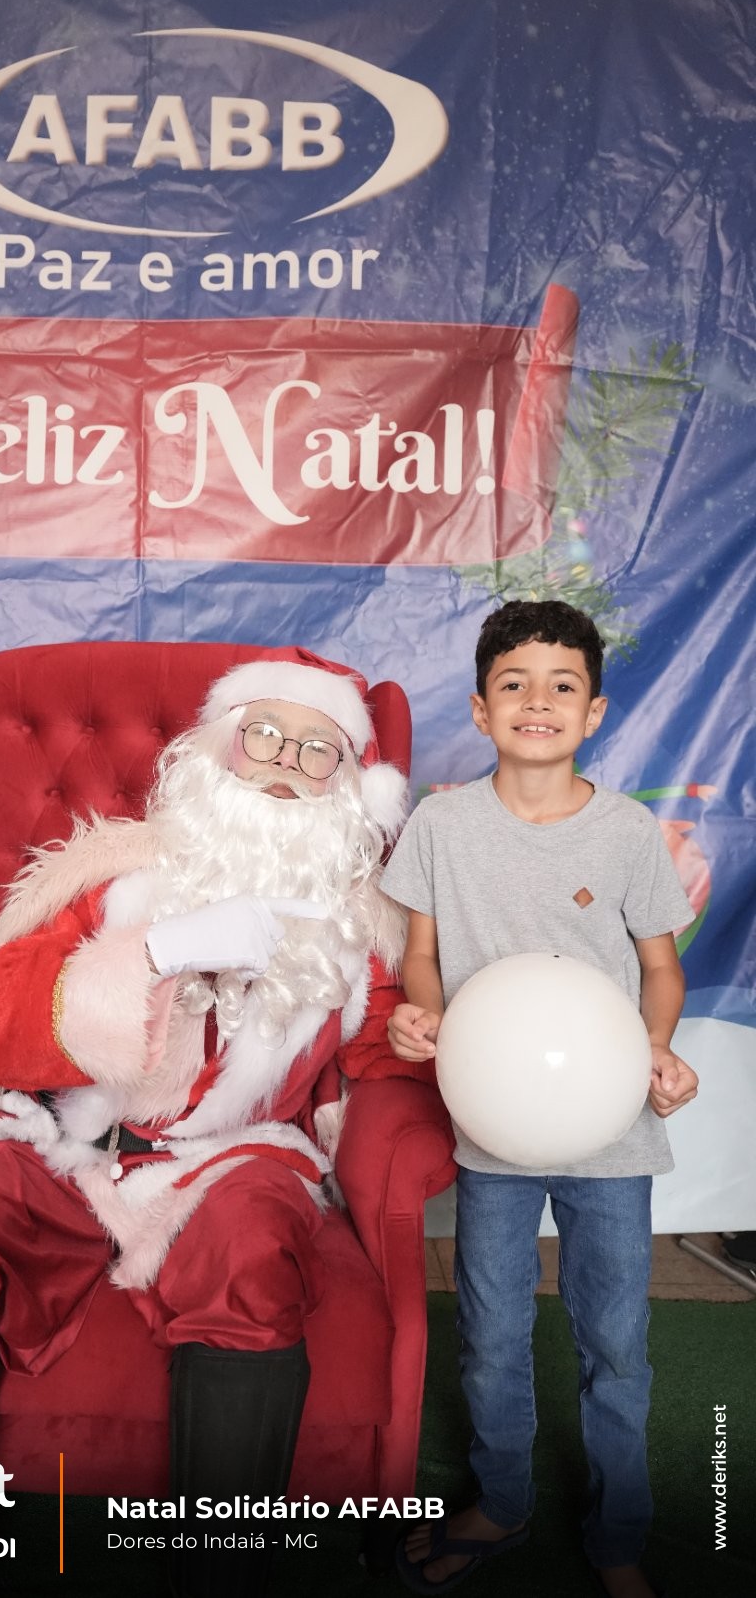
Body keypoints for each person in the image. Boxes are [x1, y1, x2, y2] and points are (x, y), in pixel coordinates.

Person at [0, 649, 418, 1597]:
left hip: (230, 1161)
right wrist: (158, 951)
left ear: (349, 785)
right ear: (218, 748)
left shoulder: (359, 932)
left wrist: (418, 1036)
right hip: (67, 1148)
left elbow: (384, 1057)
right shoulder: (112, 874)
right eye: (265, 735)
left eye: (317, 749)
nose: (285, 763)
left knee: (254, 1251)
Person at [381, 600, 698, 1598]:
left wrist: (656, 1049)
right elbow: (421, 956)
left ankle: (619, 1536)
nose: (538, 701)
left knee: (615, 1340)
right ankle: (504, 1502)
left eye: (563, 685)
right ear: (481, 710)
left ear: (594, 711)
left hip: (613, 1132)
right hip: (495, 1128)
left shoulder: (628, 831)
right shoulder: (441, 825)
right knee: (490, 1335)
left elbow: (662, 968)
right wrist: (424, 1016)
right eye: (513, 684)